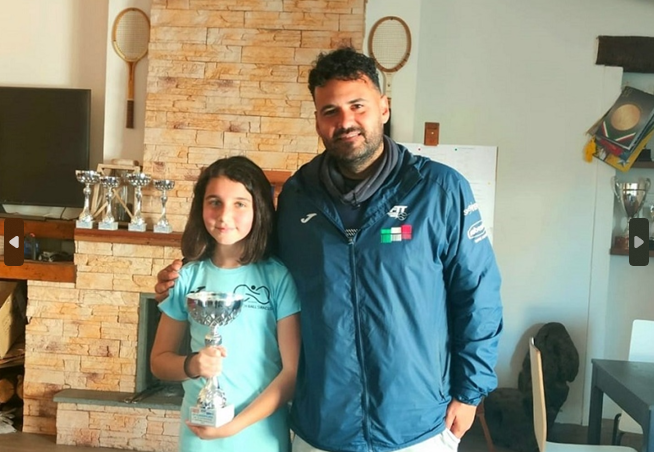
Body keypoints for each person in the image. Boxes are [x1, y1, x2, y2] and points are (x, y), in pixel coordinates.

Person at [155, 47, 503, 452]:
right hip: (322, 427)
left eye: (358, 106)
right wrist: (182, 278)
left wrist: (470, 392)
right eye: (330, 111)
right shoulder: (297, 197)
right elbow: (252, 266)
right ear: (318, 121)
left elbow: (478, 295)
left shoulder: (440, 191)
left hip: (417, 425)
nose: (345, 121)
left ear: (384, 108)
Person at [150, 156, 301, 452]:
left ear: (259, 209)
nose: (224, 216)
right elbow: (158, 362)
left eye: (240, 204)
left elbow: (292, 373)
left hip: (260, 437)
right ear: (200, 206)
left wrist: (232, 427)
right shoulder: (186, 277)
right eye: (215, 202)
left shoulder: (278, 277)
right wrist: (192, 364)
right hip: (200, 437)